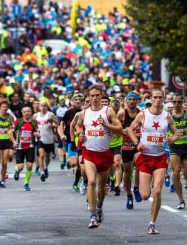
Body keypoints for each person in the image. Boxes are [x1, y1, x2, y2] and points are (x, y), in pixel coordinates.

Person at [127, 88, 178, 235]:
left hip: (160, 158)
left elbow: (176, 133)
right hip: (145, 157)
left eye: (160, 97)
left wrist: (172, 139)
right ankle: (144, 184)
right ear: (151, 98)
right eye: (155, 97)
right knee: (145, 195)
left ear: (163, 99)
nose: (157, 100)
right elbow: (130, 130)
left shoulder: (167, 116)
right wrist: (137, 143)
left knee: (157, 191)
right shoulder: (143, 114)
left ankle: (152, 223)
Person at [76, 84, 123, 229]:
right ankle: (92, 215)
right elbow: (78, 126)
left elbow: (120, 130)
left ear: (101, 95)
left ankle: (100, 207)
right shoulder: (84, 113)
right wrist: (80, 133)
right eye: (92, 96)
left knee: (102, 188)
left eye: (97, 95)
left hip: (104, 154)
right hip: (89, 153)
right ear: (88, 97)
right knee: (91, 182)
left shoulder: (108, 111)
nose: (95, 98)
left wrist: (107, 125)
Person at [119, 91, 141, 209]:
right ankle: (129, 195)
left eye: (134, 99)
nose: (131, 101)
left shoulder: (141, 113)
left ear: (137, 101)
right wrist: (121, 131)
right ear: (126, 101)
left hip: (138, 144)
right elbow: (116, 127)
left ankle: (136, 188)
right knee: (127, 173)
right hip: (126, 146)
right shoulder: (122, 114)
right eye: (129, 99)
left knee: (139, 165)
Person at [10, 106, 40, 191]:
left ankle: (26, 183)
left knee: (29, 165)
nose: (27, 113)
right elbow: (10, 132)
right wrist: (14, 141)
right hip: (20, 147)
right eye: (25, 112)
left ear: (31, 112)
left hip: (30, 146)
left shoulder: (34, 122)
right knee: (20, 167)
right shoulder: (18, 122)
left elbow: (37, 133)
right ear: (22, 113)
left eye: (28, 111)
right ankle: (17, 170)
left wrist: (37, 135)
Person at [34, 101, 58, 181]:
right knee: (41, 155)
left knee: (47, 156)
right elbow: (32, 125)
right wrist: (34, 133)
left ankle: (46, 167)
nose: (43, 107)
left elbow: (57, 124)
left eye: (44, 106)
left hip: (49, 139)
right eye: (41, 106)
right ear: (39, 107)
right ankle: (42, 172)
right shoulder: (35, 115)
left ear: (47, 107)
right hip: (40, 139)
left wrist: (53, 124)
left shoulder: (50, 115)